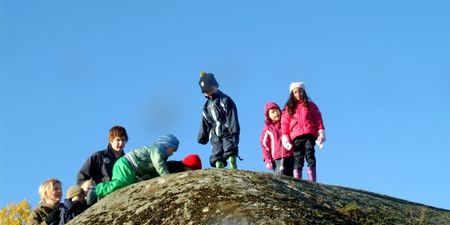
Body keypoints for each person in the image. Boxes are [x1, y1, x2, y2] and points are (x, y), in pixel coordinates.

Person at [94, 134, 180, 199]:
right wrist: (167, 177)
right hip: (127, 164)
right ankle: (96, 190)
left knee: (123, 187)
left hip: (130, 169)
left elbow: (154, 172)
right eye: (172, 150)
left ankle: (100, 196)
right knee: (122, 183)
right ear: (166, 145)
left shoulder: (161, 156)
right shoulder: (158, 148)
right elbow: (158, 163)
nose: (172, 153)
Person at [281, 82, 326, 182]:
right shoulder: (289, 108)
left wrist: (321, 132)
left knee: (310, 154)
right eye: (295, 92)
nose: (298, 94)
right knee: (298, 157)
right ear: (292, 94)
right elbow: (284, 124)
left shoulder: (310, 105)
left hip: (309, 134)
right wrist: (285, 137)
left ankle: (312, 179)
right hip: (296, 136)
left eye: (300, 91)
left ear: (304, 92)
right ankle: (298, 179)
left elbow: (318, 119)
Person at [197, 72, 241, 169]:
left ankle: (232, 162)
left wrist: (234, 130)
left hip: (226, 129)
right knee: (216, 152)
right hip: (214, 133)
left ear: (215, 86)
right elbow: (205, 122)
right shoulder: (206, 106)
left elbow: (231, 114)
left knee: (229, 147)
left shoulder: (225, 100)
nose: (208, 92)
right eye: (206, 91)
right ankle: (219, 165)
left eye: (210, 89)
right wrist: (202, 136)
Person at [260, 102, 295, 176]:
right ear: (268, 116)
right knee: (281, 177)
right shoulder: (267, 129)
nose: (275, 113)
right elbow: (264, 146)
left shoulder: (286, 123)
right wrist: (267, 160)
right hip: (277, 158)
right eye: (272, 112)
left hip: (291, 155)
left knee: (293, 177)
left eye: (276, 110)